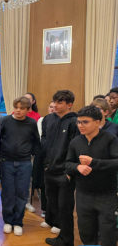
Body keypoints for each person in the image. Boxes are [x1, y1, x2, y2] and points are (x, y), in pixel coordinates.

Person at [65, 105, 118, 246]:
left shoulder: (110, 139)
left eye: (85, 122)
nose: (80, 126)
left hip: (106, 194)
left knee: (108, 234)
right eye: (79, 122)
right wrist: (78, 167)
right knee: (86, 232)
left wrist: (94, 163)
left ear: (98, 122)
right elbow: (67, 164)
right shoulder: (76, 141)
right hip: (83, 194)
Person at [40, 90, 78, 246]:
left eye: (59, 102)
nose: (55, 105)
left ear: (69, 105)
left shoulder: (75, 122)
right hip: (49, 170)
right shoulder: (48, 119)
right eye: (54, 102)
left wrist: (69, 172)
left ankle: (67, 240)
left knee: (65, 208)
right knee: (53, 204)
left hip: (64, 173)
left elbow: (75, 148)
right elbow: (44, 140)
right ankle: (61, 235)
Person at [0, 97, 40, 236]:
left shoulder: (32, 123)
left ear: (28, 110)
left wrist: (30, 153)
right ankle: (8, 221)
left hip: (24, 163)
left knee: (22, 193)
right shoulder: (5, 121)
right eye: (16, 107)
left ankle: (18, 222)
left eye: (22, 108)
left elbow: (36, 142)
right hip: (7, 162)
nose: (18, 110)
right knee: (8, 193)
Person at [32, 101, 55, 218]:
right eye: (50, 106)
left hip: (53, 157)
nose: (52, 109)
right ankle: (44, 209)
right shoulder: (42, 120)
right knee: (42, 183)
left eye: (54, 107)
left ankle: (53, 212)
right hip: (41, 155)